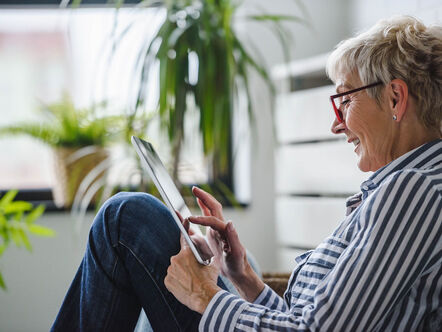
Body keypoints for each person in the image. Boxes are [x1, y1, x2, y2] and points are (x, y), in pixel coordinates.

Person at [52, 15, 442, 331]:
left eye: (344, 100)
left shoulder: (414, 191)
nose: (335, 124)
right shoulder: (405, 188)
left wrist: (204, 296)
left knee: (126, 217)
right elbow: (308, 319)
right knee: (155, 228)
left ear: (395, 97)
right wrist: (241, 277)